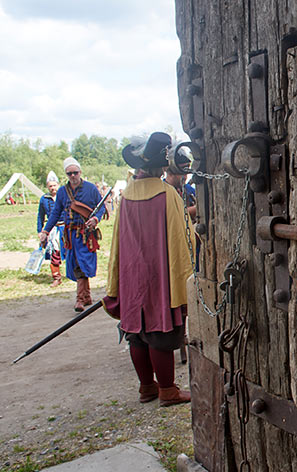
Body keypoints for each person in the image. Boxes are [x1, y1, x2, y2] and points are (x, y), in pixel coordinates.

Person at [102, 132, 193, 407]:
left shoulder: (126, 196)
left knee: (136, 335)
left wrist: (118, 281)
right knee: (159, 333)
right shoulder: (167, 195)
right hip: (160, 276)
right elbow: (182, 239)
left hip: (132, 276)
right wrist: (185, 279)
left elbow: (118, 241)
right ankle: (167, 389)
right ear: (161, 166)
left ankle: (146, 387)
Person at [40, 157, 105, 311]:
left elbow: (101, 207)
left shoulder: (90, 189)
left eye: (75, 173)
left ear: (80, 172)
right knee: (75, 264)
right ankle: (86, 296)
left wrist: (96, 218)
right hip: (70, 235)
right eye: (70, 174)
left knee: (83, 265)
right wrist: (45, 231)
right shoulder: (63, 191)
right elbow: (55, 213)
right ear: (66, 175)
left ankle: (80, 299)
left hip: (86, 235)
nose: (73, 176)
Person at [37, 171, 65, 287]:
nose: (53, 188)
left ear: (57, 185)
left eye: (54, 185)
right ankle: (56, 277)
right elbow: (40, 215)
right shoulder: (44, 199)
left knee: (71, 251)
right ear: (47, 187)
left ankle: (76, 275)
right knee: (54, 252)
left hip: (65, 226)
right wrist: (40, 231)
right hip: (52, 229)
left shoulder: (64, 195)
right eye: (50, 186)